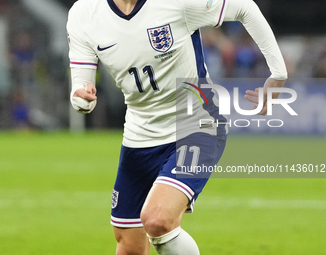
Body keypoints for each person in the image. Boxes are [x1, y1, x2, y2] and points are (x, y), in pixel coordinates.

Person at [66, 0, 287, 254]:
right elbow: (81, 91)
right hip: (139, 137)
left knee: (158, 220)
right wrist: (82, 98)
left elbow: (243, 7)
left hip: (196, 125)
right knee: (129, 245)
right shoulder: (84, 14)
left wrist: (278, 72)